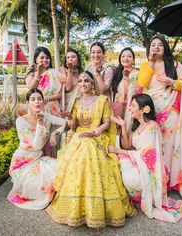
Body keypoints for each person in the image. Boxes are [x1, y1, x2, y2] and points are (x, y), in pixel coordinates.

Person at [46, 71, 136, 228]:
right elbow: (74, 126)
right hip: (80, 136)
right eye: (80, 81)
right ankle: (76, 208)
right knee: (81, 152)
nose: (82, 84)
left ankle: (96, 209)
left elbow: (107, 122)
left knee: (88, 149)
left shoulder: (102, 100)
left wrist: (94, 132)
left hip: (97, 136)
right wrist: (69, 118)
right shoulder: (76, 101)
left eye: (86, 80)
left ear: (93, 84)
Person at [109, 94, 182, 223]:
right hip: (139, 165)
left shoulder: (152, 127)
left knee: (120, 155)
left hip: (148, 172)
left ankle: (137, 191)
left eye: (133, 105)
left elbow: (148, 157)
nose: (129, 108)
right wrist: (123, 126)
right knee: (120, 156)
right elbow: (128, 145)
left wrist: (119, 150)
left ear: (143, 109)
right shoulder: (138, 126)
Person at [137, 35, 182, 188]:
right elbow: (141, 84)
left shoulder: (174, 64)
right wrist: (151, 62)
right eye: (153, 45)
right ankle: (156, 178)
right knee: (154, 144)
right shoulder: (146, 65)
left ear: (165, 48)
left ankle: (169, 179)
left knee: (168, 145)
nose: (156, 47)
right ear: (149, 49)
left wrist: (173, 82)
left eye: (160, 45)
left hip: (170, 113)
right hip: (152, 111)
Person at [7, 88, 64, 210]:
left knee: (61, 170)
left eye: (39, 99)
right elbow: (36, 145)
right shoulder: (20, 121)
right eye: (33, 99)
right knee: (43, 187)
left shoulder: (47, 117)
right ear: (28, 102)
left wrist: (55, 133)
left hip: (39, 160)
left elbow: (66, 123)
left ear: (43, 102)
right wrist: (39, 123)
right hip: (23, 163)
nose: (37, 102)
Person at [25, 46, 62, 115]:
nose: (45, 60)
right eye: (42, 58)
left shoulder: (55, 73)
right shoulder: (31, 74)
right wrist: (38, 73)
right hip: (36, 107)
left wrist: (46, 99)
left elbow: (59, 94)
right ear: (36, 60)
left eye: (47, 58)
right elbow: (31, 89)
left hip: (52, 109)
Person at [111, 47, 138, 132]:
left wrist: (127, 79)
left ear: (133, 60)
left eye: (129, 56)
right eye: (123, 56)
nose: (125, 58)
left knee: (127, 130)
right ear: (120, 59)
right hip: (118, 108)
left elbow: (136, 91)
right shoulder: (118, 73)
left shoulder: (137, 74)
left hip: (130, 107)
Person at [59, 48, 83, 112]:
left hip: (81, 105)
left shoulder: (82, 73)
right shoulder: (63, 71)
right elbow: (68, 88)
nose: (70, 59)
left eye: (73, 57)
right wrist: (70, 70)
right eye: (68, 57)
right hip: (68, 106)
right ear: (66, 60)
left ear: (78, 60)